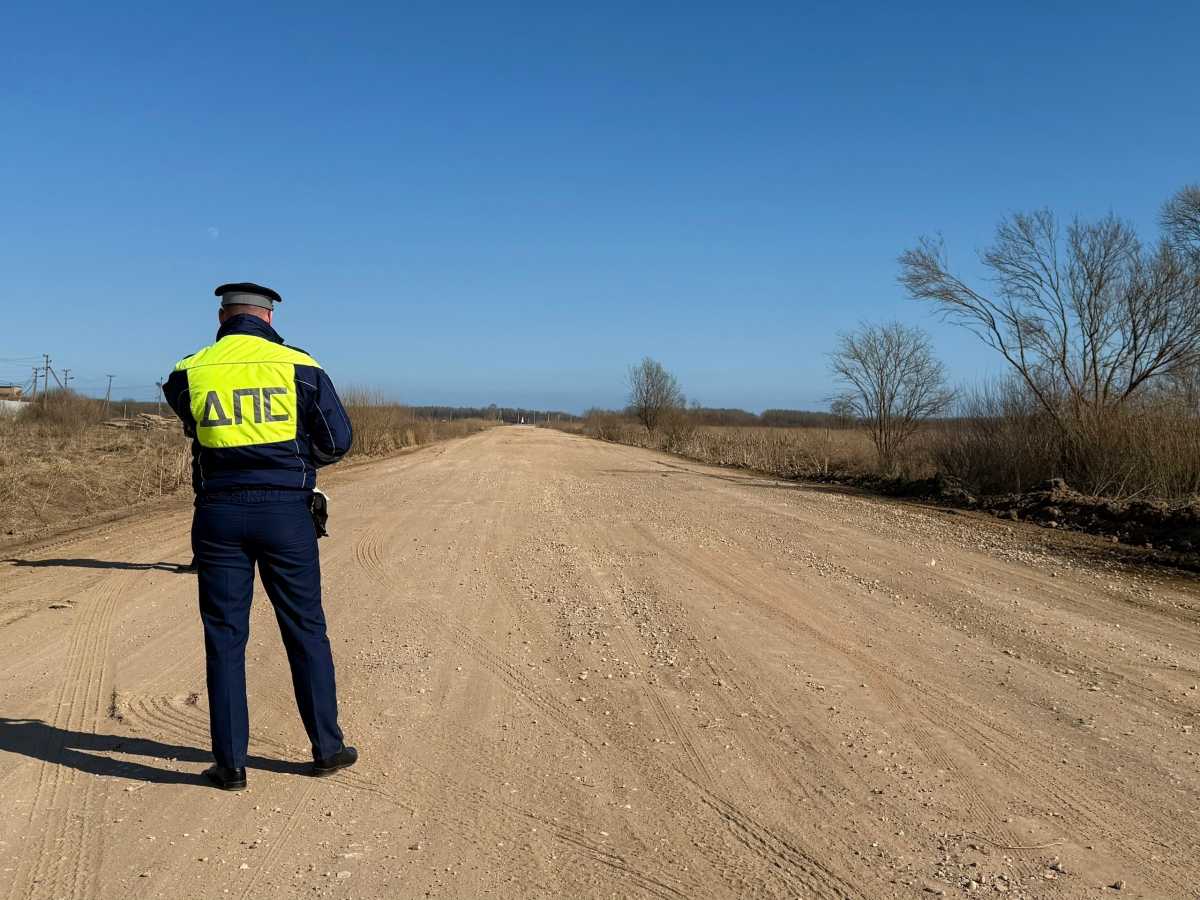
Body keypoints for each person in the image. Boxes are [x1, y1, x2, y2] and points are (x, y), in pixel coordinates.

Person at [162, 282, 357, 790]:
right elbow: (338, 441)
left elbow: (193, 424)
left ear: (222, 319)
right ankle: (327, 749)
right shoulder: (301, 366)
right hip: (286, 514)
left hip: (219, 515)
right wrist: (291, 463)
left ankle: (230, 766)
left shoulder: (190, 368)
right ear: (268, 318)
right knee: (305, 630)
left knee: (225, 638)